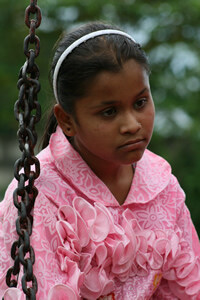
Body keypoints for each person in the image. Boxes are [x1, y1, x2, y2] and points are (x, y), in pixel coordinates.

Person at [0, 21, 200, 300]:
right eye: (109, 112)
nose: (132, 124)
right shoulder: (39, 195)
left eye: (140, 102)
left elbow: (186, 289)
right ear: (67, 120)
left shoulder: (163, 186)